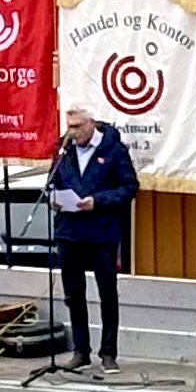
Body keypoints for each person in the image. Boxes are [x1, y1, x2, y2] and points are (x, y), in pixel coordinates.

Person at [45, 107, 142, 371]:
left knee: (106, 293)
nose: (72, 132)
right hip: (69, 230)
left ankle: (108, 353)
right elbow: (51, 183)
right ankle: (81, 350)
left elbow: (129, 187)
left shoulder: (113, 150)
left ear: (91, 124)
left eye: (77, 127)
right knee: (73, 294)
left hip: (101, 231)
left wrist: (98, 201)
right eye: (70, 127)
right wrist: (53, 199)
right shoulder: (64, 150)